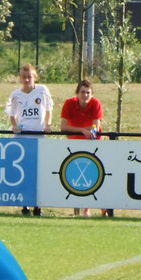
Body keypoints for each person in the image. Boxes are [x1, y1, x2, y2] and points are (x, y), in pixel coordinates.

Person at [5, 64, 52, 216]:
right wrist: (14, 126)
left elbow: (49, 109)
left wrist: (48, 125)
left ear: (35, 77)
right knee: (23, 171)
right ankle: (24, 204)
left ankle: (37, 205)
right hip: (23, 137)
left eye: (29, 77)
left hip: (38, 136)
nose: (26, 80)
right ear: (20, 78)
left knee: (38, 172)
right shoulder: (15, 95)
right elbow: (12, 114)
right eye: (24, 77)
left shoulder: (42, 90)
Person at [60, 79, 107, 217]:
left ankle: (100, 209)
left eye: (88, 92)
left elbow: (95, 127)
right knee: (77, 177)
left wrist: (83, 130)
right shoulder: (69, 103)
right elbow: (63, 126)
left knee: (95, 175)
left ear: (92, 94)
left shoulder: (95, 103)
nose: (85, 95)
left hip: (93, 144)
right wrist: (82, 130)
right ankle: (82, 209)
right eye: (82, 92)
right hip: (74, 145)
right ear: (77, 93)